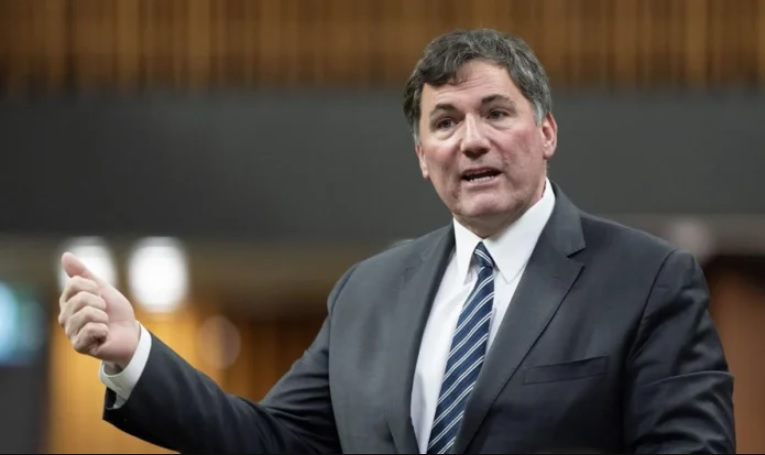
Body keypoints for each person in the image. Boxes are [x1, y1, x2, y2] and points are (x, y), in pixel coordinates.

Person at [57, 28, 735, 454]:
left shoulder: (647, 279)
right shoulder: (368, 291)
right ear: (421, 157)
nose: (471, 140)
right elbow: (273, 440)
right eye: (445, 122)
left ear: (546, 132)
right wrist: (134, 353)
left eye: (496, 112)